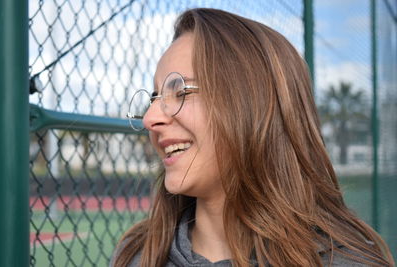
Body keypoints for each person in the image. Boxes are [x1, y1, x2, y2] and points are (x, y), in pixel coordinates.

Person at [112, 8, 394, 267]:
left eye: (181, 92)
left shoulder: (347, 262)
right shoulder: (135, 255)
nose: (149, 118)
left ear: (253, 104)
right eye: (155, 96)